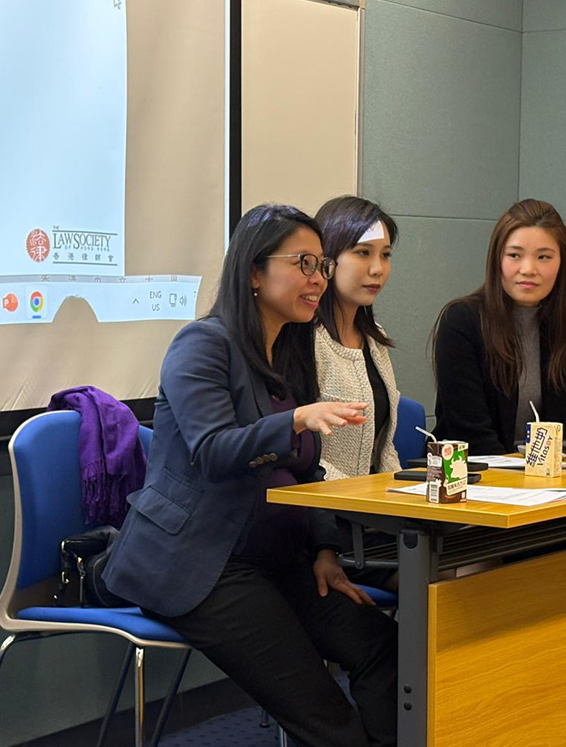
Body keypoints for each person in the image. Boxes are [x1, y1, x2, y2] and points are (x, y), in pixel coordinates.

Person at [103, 204, 397, 747]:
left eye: (321, 265)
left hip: (279, 559)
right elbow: (214, 452)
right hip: (203, 564)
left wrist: (325, 550)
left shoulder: (290, 351)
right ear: (254, 273)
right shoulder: (202, 344)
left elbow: (308, 470)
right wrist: (295, 420)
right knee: (328, 718)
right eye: (303, 263)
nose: (318, 279)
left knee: (385, 648)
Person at [431, 198, 566, 454]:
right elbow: (471, 436)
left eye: (543, 257)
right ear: (497, 259)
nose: (528, 269)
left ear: (561, 263)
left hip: (549, 473)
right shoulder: (461, 321)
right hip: (472, 470)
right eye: (514, 255)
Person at [314, 196, 402, 590]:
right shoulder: (308, 340)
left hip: (375, 519)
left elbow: (384, 448)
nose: (377, 268)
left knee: (476, 559)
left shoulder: (374, 338)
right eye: (363, 253)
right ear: (328, 259)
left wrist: (404, 498)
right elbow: (304, 456)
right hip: (329, 529)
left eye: (385, 254)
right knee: (443, 581)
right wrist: (368, 498)